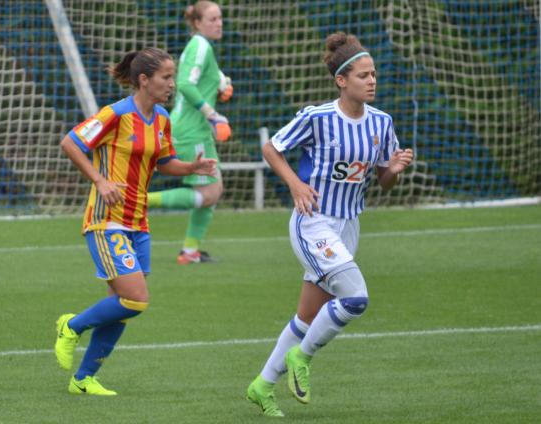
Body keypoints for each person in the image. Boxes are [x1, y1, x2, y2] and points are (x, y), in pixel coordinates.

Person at [246, 32, 414, 416]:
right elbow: (271, 147)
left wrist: (396, 169)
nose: (372, 81)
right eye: (363, 75)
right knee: (355, 298)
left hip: (349, 227)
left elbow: (386, 181)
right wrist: (295, 184)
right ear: (342, 80)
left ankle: (261, 386)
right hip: (313, 223)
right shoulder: (317, 118)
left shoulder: (382, 122)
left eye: (374, 74)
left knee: (307, 316)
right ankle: (301, 359)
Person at [54, 47, 217, 396]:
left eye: (173, 77)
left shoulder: (162, 119)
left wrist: (191, 168)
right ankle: (71, 326)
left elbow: (164, 162)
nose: (171, 84)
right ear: (144, 80)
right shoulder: (115, 114)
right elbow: (70, 142)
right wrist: (99, 180)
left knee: (123, 308)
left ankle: (83, 380)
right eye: (166, 77)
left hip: (138, 222)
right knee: (135, 299)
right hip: (106, 220)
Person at [147, 1, 233, 265]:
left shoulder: (203, 48)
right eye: (212, 19)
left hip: (196, 132)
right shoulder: (200, 46)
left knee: (212, 192)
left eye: (220, 18)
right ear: (197, 23)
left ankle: (190, 252)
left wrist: (222, 85)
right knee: (210, 193)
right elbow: (184, 84)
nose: (218, 23)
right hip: (191, 131)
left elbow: (201, 80)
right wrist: (212, 114)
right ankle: (140, 200)